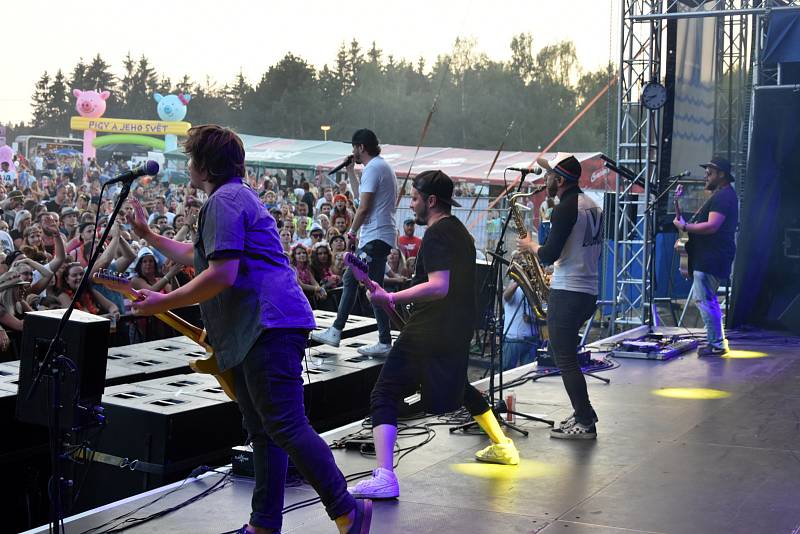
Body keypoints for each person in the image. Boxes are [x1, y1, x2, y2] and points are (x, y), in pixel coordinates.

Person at [128, 124, 371, 534]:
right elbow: (199, 255)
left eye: (190, 158)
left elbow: (220, 274)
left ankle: (347, 510)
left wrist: (162, 301)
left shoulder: (224, 200)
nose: (188, 165)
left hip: (268, 326)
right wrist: (149, 235)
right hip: (264, 326)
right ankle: (264, 525)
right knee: (265, 430)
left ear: (204, 164)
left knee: (285, 424)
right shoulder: (233, 197)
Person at [348, 170, 519, 500]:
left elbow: (440, 287)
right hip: (455, 330)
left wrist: (393, 298)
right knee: (461, 388)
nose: (411, 205)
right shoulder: (460, 233)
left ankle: (384, 477)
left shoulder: (438, 234)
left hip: (430, 329)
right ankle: (501, 445)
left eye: (413, 198)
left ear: (430, 200)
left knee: (383, 393)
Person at [517, 153, 603, 439]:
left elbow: (549, 254)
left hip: (569, 290)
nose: (546, 180)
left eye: (550, 176)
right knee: (567, 355)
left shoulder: (565, 208)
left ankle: (584, 421)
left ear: (561, 180)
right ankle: (585, 412)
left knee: (563, 357)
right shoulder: (592, 205)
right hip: (587, 289)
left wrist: (530, 245)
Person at [312, 129, 398, 356]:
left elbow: (364, 206)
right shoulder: (380, 166)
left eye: (354, 148)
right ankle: (383, 341)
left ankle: (337, 331)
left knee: (352, 277)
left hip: (375, 237)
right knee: (373, 287)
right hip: (380, 236)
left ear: (360, 147)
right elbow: (361, 196)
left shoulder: (373, 168)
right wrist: (350, 170)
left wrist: (351, 232)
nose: (353, 152)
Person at [673, 156, 738, 357]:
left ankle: (717, 344)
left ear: (722, 175)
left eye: (710, 173)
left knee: (706, 300)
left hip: (713, 257)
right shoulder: (720, 196)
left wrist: (685, 226)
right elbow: (683, 222)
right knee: (705, 299)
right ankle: (716, 342)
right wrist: (677, 203)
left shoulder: (724, 197)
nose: (705, 176)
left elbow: (712, 226)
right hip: (709, 257)